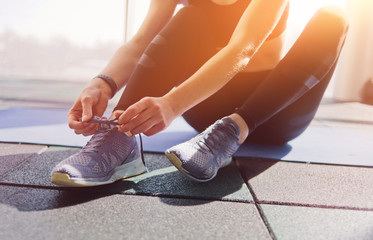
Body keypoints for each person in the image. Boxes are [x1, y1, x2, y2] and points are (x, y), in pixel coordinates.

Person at [50, 0, 349, 186]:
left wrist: (172, 103)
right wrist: (102, 82)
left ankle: (231, 131)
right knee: (189, 17)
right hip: (207, 108)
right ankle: (120, 139)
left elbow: (242, 49)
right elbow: (141, 41)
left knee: (335, 16)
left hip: (276, 114)